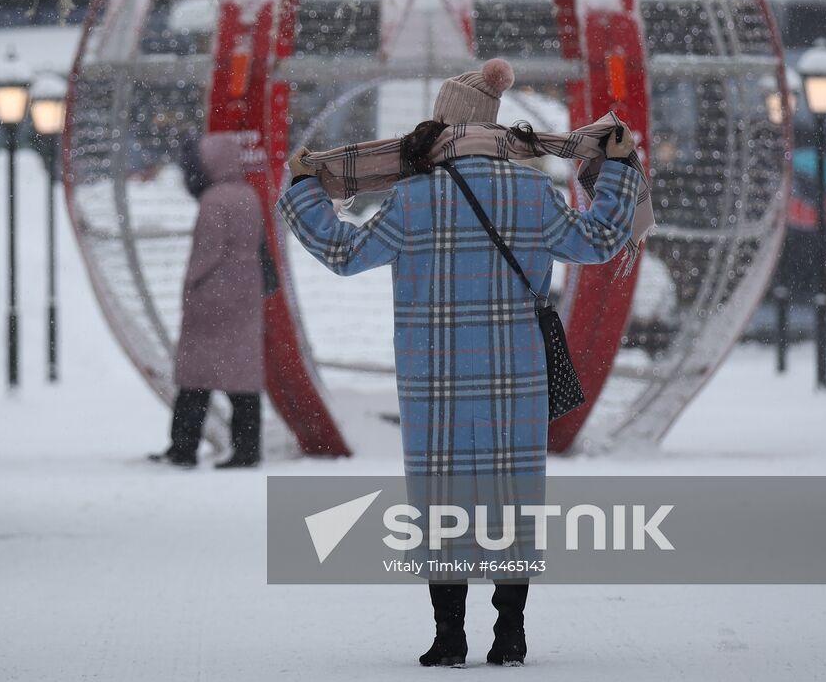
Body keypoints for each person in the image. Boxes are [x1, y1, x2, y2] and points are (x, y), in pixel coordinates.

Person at [277, 59, 647, 667]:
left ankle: (449, 635)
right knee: (513, 496)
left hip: (434, 374)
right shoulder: (533, 192)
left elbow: (343, 253)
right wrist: (622, 170)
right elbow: (600, 239)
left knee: (440, 498)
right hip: (514, 371)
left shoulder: (411, 198)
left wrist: (302, 190)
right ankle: (511, 632)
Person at [150, 133, 267, 469]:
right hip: (245, 292)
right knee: (243, 378)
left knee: (195, 378)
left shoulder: (214, 200)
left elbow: (207, 251)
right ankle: (247, 448)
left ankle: (183, 447)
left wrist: (191, 284)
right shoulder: (248, 196)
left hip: (213, 297)